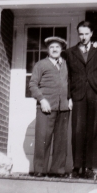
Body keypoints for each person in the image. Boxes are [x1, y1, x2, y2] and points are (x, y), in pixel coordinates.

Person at [65, 21, 97, 179]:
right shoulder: (70, 52)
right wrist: (69, 96)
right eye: (81, 34)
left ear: (91, 34)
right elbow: (69, 76)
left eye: (86, 33)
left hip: (96, 94)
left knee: (93, 131)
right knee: (77, 131)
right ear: (78, 34)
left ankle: (90, 168)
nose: (83, 37)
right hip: (78, 95)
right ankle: (77, 167)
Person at [29, 37, 72, 178]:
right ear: (48, 49)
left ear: (62, 49)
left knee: (61, 141)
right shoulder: (41, 65)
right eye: (52, 47)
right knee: (43, 139)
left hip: (63, 108)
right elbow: (32, 85)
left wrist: (70, 99)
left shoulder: (66, 65)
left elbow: (70, 84)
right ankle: (40, 169)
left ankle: (57, 170)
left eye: (57, 47)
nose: (54, 49)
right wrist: (42, 100)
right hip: (46, 107)